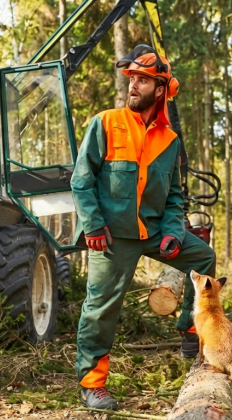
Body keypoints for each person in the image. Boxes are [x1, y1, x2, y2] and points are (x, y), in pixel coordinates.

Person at [70, 45, 216, 410]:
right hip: (111, 236)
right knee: (101, 309)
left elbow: (175, 195)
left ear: (161, 89)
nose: (132, 86)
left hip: (152, 233)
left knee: (203, 258)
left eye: (142, 81)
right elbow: (81, 181)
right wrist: (93, 226)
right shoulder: (106, 123)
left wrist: (173, 231)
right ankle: (92, 384)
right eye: (131, 79)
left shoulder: (170, 141)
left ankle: (191, 328)